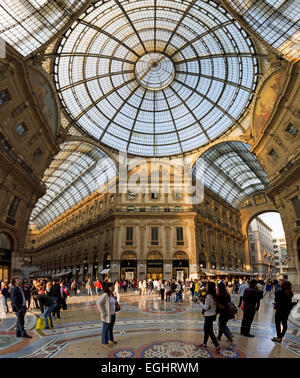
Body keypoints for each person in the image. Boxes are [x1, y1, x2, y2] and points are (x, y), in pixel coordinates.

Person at [198, 281, 221, 353]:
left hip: (208, 315)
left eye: (207, 286)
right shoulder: (214, 295)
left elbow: (206, 307)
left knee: (209, 331)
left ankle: (217, 346)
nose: (206, 287)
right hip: (212, 314)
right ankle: (204, 343)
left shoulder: (208, 296)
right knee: (207, 330)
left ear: (209, 288)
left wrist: (200, 303)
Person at [97, 282, 118, 348]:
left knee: (110, 328)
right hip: (107, 315)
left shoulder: (111, 294)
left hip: (112, 314)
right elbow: (99, 303)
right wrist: (103, 312)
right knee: (105, 328)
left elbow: (112, 303)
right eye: (112, 286)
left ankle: (110, 339)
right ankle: (104, 342)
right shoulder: (105, 295)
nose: (113, 287)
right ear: (108, 287)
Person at [216, 282, 235, 349]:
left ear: (219, 288)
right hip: (228, 313)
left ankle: (231, 340)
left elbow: (220, 306)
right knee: (222, 325)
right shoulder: (227, 294)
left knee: (222, 327)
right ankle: (218, 338)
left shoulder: (220, 295)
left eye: (217, 287)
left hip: (224, 313)